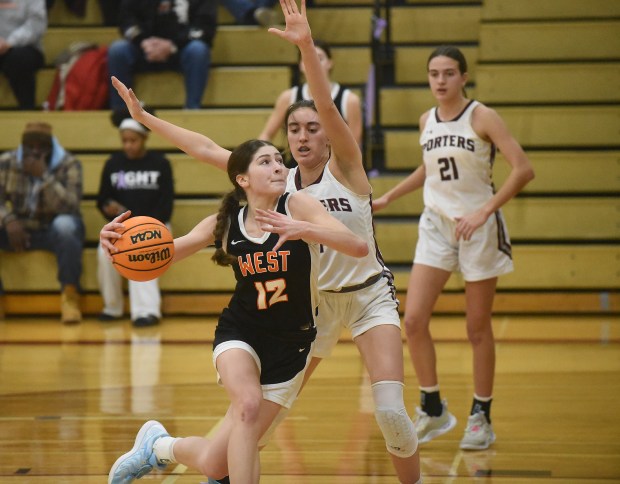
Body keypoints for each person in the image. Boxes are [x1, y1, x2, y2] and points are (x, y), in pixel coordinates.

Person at [109, 0, 422, 481]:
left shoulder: (347, 168)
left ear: (329, 134)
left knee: (392, 414)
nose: (301, 136)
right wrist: (146, 118)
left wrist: (306, 48)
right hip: (311, 310)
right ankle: (166, 448)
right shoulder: (280, 183)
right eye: (292, 129)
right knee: (243, 438)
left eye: (312, 128)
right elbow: (207, 149)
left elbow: (325, 104)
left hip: (366, 298)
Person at [104, 136, 369, 483]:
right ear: (242, 179)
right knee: (247, 403)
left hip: (292, 346)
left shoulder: (298, 207)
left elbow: (359, 246)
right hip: (240, 333)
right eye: (265, 162)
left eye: (279, 160)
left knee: (217, 465)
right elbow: (167, 252)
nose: (277, 166)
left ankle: (159, 447)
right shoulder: (229, 221)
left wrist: (303, 228)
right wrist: (116, 245)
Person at [373, 45, 535, 450]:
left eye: (448, 73)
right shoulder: (426, 118)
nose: (440, 81)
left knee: (476, 327)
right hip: (437, 225)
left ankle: (482, 415)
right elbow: (430, 167)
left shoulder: (482, 116)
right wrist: (390, 197)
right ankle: (433, 408)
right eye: (433, 74)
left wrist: (485, 211)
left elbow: (523, 169)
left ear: (464, 77)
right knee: (412, 321)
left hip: (478, 227)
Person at [0, 121, 85, 323]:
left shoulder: (69, 163)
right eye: (30, 147)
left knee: (66, 226)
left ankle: (70, 297)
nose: (35, 152)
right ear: (23, 145)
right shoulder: (7, 162)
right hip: (19, 227)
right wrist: (8, 219)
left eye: (41, 147)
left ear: (50, 147)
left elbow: (70, 206)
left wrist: (45, 177)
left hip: (52, 229)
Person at [96, 109, 174, 327]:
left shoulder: (160, 164)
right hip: (121, 227)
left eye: (133, 140)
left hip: (155, 224)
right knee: (104, 255)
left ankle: (146, 311)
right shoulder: (112, 164)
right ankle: (112, 307)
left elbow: (166, 204)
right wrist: (108, 207)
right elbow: (102, 198)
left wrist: (145, 225)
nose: (128, 145)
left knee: (144, 250)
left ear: (144, 138)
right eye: (125, 141)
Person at [107, 0, 217, 110]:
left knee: (198, 50)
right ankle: (121, 112)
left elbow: (204, 27)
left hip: (181, 49)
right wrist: (142, 42)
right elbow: (126, 20)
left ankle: (192, 109)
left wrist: (172, 45)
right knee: (118, 50)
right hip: (144, 48)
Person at [258, 37, 363, 149]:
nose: (313, 63)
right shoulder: (288, 97)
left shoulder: (349, 100)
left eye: (319, 58)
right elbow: (266, 135)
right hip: (298, 164)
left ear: (330, 63)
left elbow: (354, 147)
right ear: (300, 66)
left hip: (333, 165)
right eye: (307, 59)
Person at [0, 0, 46, 110]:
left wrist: (9, 42)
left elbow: (36, 25)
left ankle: (27, 111)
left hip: (24, 47)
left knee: (19, 59)